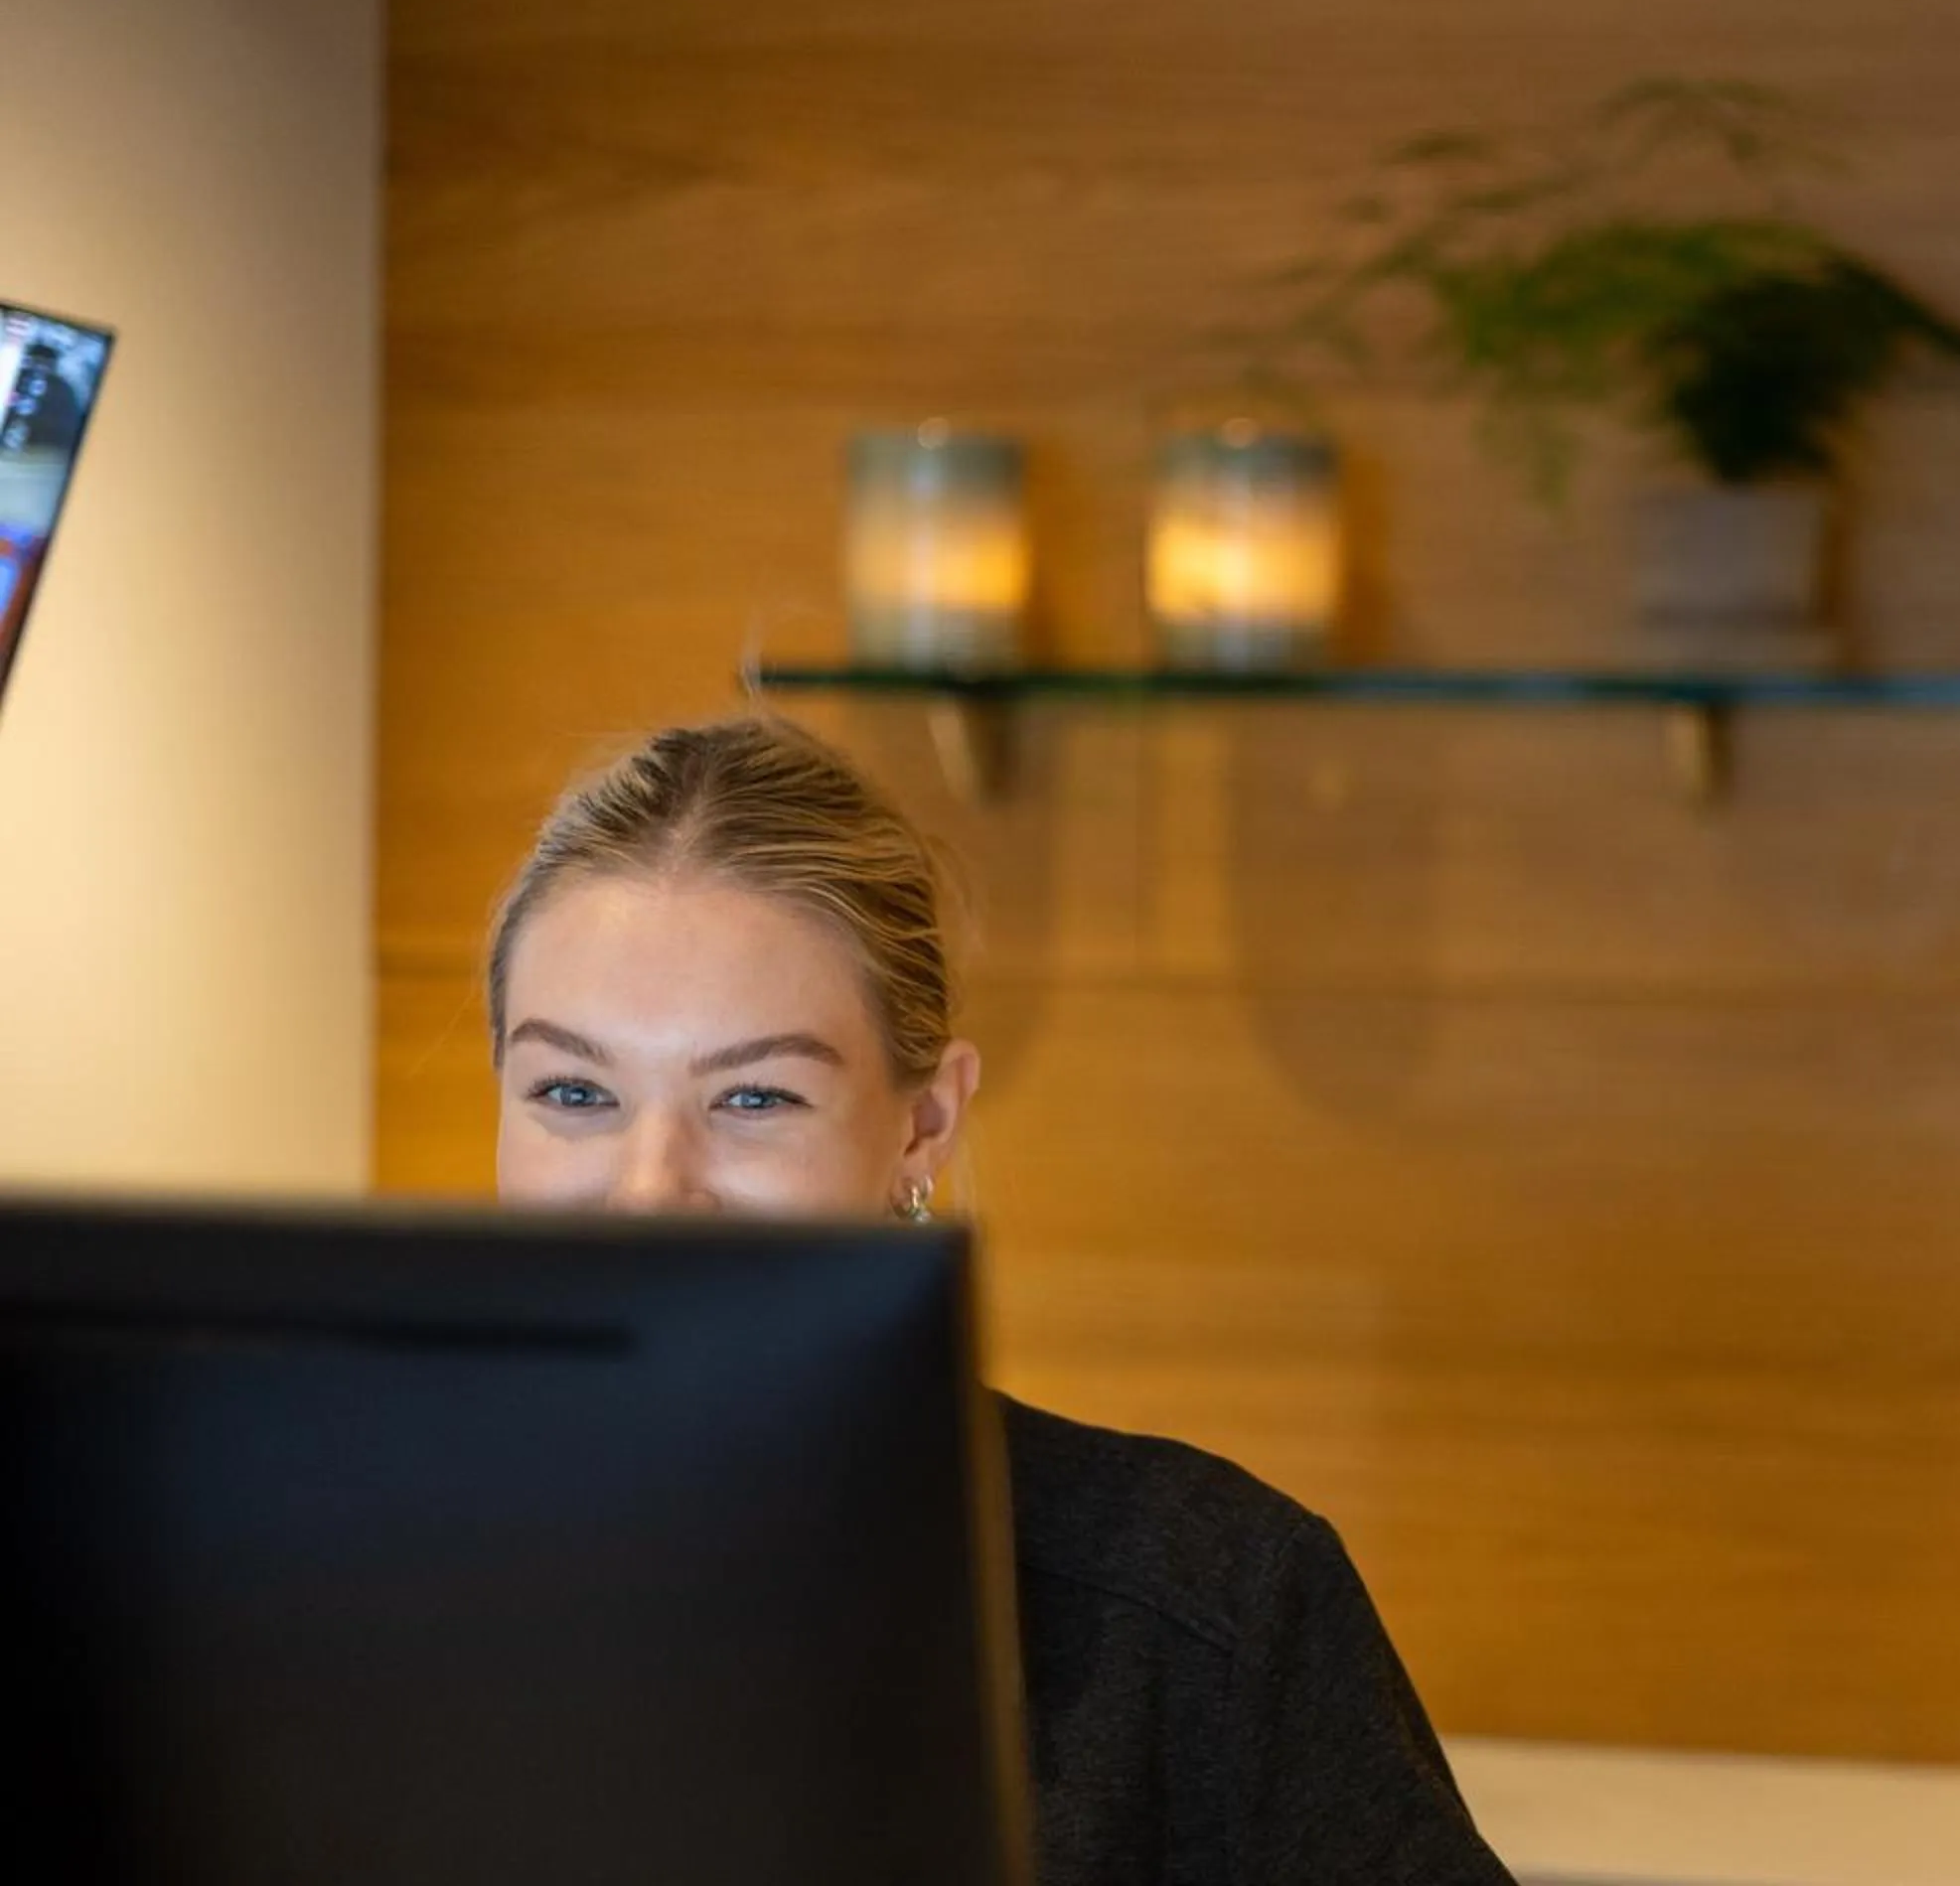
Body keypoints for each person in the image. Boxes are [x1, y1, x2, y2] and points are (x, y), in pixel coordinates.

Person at [485, 714, 1517, 1886]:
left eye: (757, 1098)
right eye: (572, 1087)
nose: (650, 1191)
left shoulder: (1209, 1609)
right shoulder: (316, 1586)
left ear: (922, 1123)